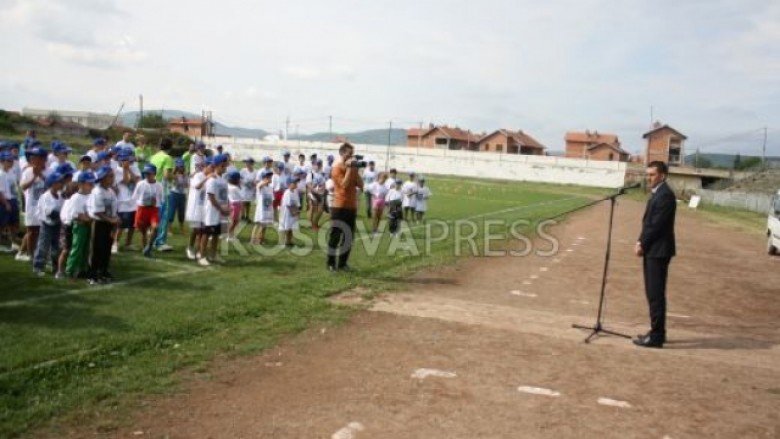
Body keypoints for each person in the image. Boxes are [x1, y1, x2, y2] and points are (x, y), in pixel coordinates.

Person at [634, 161, 677, 349]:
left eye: (652, 174)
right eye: (648, 174)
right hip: (654, 249)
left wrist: (642, 243)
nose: (648, 178)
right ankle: (657, 331)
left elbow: (656, 226)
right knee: (653, 293)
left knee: (655, 294)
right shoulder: (659, 193)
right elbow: (648, 223)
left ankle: (657, 335)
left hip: (658, 251)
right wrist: (640, 240)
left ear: (662, 175)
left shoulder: (665, 195)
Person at [326, 142, 364, 272]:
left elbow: (361, 185)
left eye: (352, 154)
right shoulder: (336, 168)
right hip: (339, 206)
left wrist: (356, 170)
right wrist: (349, 169)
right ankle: (331, 263)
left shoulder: (352, 169)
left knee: (348, 237)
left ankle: (342, 264)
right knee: (335, 236)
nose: (351, 157)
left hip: (351, 207)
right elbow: (344, 184)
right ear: (342, 154)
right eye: (349, 154)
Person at [87, 165, 120, 284]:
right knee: (97, 248)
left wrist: (115, 218)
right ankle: (93, 274)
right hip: (99, 223)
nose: (112, 178)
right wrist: (110, 220)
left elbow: (113, 208)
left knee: (107, 248)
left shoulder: (110, 191)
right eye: (110, 176)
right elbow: (98, 212)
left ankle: (103, 270)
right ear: (103, 178)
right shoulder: (97, 192)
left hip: (109, 223)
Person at [17, 146, 49, 262]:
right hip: (31, 206)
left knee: (41, 231)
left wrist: (40, 174)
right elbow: (23, 187)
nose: (32, 159)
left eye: (35, 157)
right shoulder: (28, 171)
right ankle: (30, 255)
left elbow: (50, 185)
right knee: (31, 231)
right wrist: (34, 176)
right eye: (32, 157)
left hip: (44, 207)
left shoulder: (47, 171)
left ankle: (37, 253)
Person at [32, 172, 65, 277]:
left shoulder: (60, 195)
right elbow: (50, 213)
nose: (61, 184)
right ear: (52, 183)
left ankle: (54, 265)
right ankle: (38, 266)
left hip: (57, 224)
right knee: (43, 246)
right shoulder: (46, 196)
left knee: (56, 247)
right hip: (47, 225)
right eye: (59, 182)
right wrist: (62, 216)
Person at [200, 154, 230, 266]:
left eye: (225, 165)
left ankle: (213, 255)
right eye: (223, 165)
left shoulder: (222, 179)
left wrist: (226, 208)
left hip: (221, 212)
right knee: (207, 234)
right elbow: (211, 197)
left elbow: (224, 196)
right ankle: (202, 256)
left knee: (216, 234)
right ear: (218, 165)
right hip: (212, 212)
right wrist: (221, 209)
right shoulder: (212, 180)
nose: (225, 167)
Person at [66, 171, 95, 278]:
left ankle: (83, 269)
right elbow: (77, 215)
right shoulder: (76, 197)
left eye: (92, 184)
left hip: (88, 225)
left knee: (86, 249)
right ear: (81, 184)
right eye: (89, 184)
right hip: (80, 226)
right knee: (77, 247)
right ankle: (70, 269)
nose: (92, 186)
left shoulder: (91, 196)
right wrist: (89, 219)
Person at [133, 164, 165, 257]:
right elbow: (135, 197)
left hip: (153, 210)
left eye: (149, 173)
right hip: (142, 209)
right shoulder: (140, 184)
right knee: (143, 232)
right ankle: (145, 250)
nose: (147, 175)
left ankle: (149, 246)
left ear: (154, 173)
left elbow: (161, 199)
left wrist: (156, 203)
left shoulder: (159, 185)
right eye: (146, 173)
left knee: (155, 227)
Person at [150, 137, 175, 251]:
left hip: (152, 188)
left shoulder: (154, 157)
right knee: (163, 216)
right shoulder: (167, 158)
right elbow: (166, 175)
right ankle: (159, 242)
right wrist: (176, 177)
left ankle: (153, 240)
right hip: (163, 190)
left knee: (155, 216)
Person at [184, 157, 212, 260]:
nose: (212, 169)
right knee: (195, 230)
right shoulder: (199, 175)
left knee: (203, 230)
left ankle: (200, 251)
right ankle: (190, 248)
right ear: (206, 166)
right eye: (211, 167)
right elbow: (197, 186)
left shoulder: (209, 177)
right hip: (195, 207)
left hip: (203, 207)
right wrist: (207, 178)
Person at [115, 152, 140, 252]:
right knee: (121, 225)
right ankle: (115, 243)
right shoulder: (117, 170)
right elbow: (125, 181)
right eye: (125, 160)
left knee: (132, 225)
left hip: (133, 200)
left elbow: (137, 180)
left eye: (128, 160)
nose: (127, 162)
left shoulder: (134, 168)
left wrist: (128, 169)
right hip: (123, 201)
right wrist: (125, 169)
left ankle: (128, 243)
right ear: (120, 161)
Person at [251, 169, 274, 245]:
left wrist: (271, 209)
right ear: (263, 178)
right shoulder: (260, 185)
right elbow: (260, 186)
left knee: (265, 225)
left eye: (270, 177)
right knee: (258, 224)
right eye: (268, 177)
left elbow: (271, 199)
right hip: (261, 209)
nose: (270, 179)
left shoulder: (270, 188)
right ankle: (253, 239)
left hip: (267, 209)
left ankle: (261, 239)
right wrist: (266, 181)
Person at [168, 158, 189, 236]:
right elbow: (174, 183)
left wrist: (185, 177)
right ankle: (169, 229)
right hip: (174, 194)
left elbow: (187, 185)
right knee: (171, 212)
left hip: (182, 195)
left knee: (181, 213)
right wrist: (176, 176)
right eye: (180, 166)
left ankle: (182, 229)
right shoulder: (174, 175)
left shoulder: (185, 175)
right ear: (177, 167)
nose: (181, 168)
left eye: (182, 166)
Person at [279, 176, 301, 247]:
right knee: (285, 228)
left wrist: (297, 213)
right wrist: (294, 212)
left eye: (296, 182)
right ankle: (282, 242)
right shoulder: (287, 192)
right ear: (288, 184)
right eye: (294, 183)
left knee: (291, 228)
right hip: (287, 213)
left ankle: (289, 241)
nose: (296, 184)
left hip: (293, 213)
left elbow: (297, 204)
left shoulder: (295, 192)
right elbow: (288, 205)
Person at [307, 160, 327, 231]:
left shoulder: (320, 174)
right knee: (312, 209)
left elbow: (323, 184)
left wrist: (322, 190)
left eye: (319, 165)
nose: (317, 166)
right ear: (313, 165)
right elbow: (309, 185)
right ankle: (311, 225)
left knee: (320, 210)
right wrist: (316, 191)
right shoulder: (310, 174)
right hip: (312, 194)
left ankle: (315, 223)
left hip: (319, 194)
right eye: (316, 165)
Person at [226, 170, 243, 241]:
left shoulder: (229, 186)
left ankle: (231, 235)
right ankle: (229, 236)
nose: (240, 180)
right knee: (234, 221)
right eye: (239, 179)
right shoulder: (235, 188)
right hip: (236, 205)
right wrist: (239, 186)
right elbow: (242, 196)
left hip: (232, 204)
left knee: (234, 221)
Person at [240, 158, 257, 222]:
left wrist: (254, 184)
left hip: (251, 189)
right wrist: (244, 183)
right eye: (246, 163)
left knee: (248, 203)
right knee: (243, 202)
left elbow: (256, 180)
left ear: (252, 164)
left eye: (248, 162)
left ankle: (247, 216)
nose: (247, 164)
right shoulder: (243, 170)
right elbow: (240, 179)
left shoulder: (255, 171)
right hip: (244, 189)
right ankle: (242, 216)